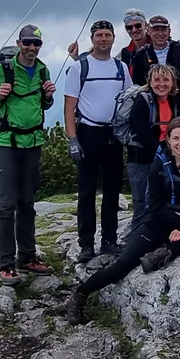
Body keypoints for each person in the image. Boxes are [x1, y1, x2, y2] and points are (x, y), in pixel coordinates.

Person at [65, 117, 180, 323]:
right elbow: (155, 208)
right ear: (167, 140)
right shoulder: (159, 164)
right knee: (121, 267)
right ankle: (81, 294)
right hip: (157, 223)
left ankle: (164, 253)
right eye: (176, 138)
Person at [0, 24, 60, 287]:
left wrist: (49, 97)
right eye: (27, 43)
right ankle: (6, 264)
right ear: (19, 43)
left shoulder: (42, 69)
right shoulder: (1, 71)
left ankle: (28, 256)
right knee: (6, 205)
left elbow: (41, 104)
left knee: (27, 203)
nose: (32, 48)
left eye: (36, 44)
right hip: (5, 142)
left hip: (33, 141)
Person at [64, 19, 133, 262]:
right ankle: (86, 244)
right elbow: (69, 107)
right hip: (88, 133)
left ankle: (109, 240)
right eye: (99, 35)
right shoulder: (79, 67)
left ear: (114, 38)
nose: (103, 39)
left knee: (112, 191)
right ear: (92, 39)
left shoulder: (120, 68)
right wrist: (73, 139)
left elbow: (129, 99)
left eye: (107, 35)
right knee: (86, 192)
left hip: (113, 135)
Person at [121, 63, 180, 236]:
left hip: (165, 156)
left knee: (161, 201)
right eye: (157, 79)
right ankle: (136, 239)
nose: (161, 84)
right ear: (150, 82)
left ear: (173, 82)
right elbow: (140, 131)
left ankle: (155, 236)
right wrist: (164, 150)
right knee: (141, 201)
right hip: (141, 157)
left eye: (166, 79)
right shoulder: (143, 100)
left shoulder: (176, 101)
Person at [70, 8, 149, 63]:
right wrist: (77, 58)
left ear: (145, 25)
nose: (134, 30)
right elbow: (104, 67)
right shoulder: (125, 54)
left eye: (138, 26)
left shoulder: (158, 47)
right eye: (129, 27)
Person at [129, 15, 180, 87]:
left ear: (169, 31)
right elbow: (138, 84)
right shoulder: (141, 55)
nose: (160, 33)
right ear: (148, 31)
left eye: (163, 29)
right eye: (156, 30)